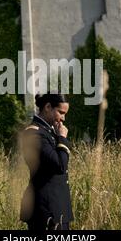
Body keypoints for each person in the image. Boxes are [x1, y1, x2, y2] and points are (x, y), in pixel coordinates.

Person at [19, 93, 73, 231]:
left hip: (56, 208)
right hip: (46, 210)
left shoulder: (48, 132)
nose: (63, 118)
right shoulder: (34, 133)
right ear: (48, 107)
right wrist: (62, 138)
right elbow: (59, 165)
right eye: (61, 112)